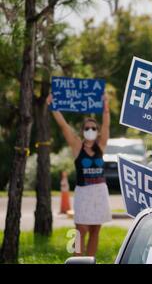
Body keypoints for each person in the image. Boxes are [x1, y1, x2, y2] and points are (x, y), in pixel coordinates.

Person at [47, 94, 112, 256]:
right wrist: (53, 106)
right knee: (80, 229)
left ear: (97, 132)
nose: (91, 130)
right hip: (83, 192)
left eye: (93, 128)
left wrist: (106, 107)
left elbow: (106, 126)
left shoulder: (101, 146)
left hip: (100, 192)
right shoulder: (77, 146)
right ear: (83, 131)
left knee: (96, 230)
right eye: (87, 128)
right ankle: (77, 260)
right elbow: (63, 126)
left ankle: (90, 260)